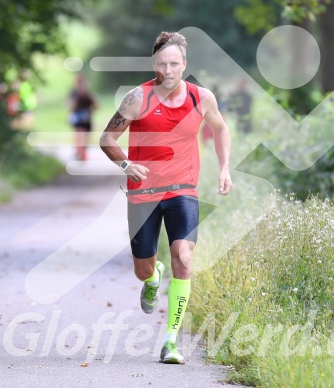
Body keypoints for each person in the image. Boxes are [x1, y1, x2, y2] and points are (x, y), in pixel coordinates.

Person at [99, 31, 232, 364]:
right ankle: (153, 276)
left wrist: (224, 168)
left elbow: (220, 128)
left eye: (174, 64)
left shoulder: (201, 98)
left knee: (183, 257)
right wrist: (127, 164)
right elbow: (107, 138)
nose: (168, 70)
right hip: (143, 193)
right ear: (153, 64)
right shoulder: (137, 99)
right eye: (162, 64)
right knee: (143, 269)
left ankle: (171, 340)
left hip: (182, 190)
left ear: (184, 65)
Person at [69, 75, 98, 161]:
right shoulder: (75, 95)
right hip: (79, 120)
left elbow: (96, 106)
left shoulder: (89, 96)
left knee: (85, 138)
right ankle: (79, 152)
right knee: (80, 136)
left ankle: (82, 152)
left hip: (87, 120)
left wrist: (89, 110)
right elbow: (71, 107)